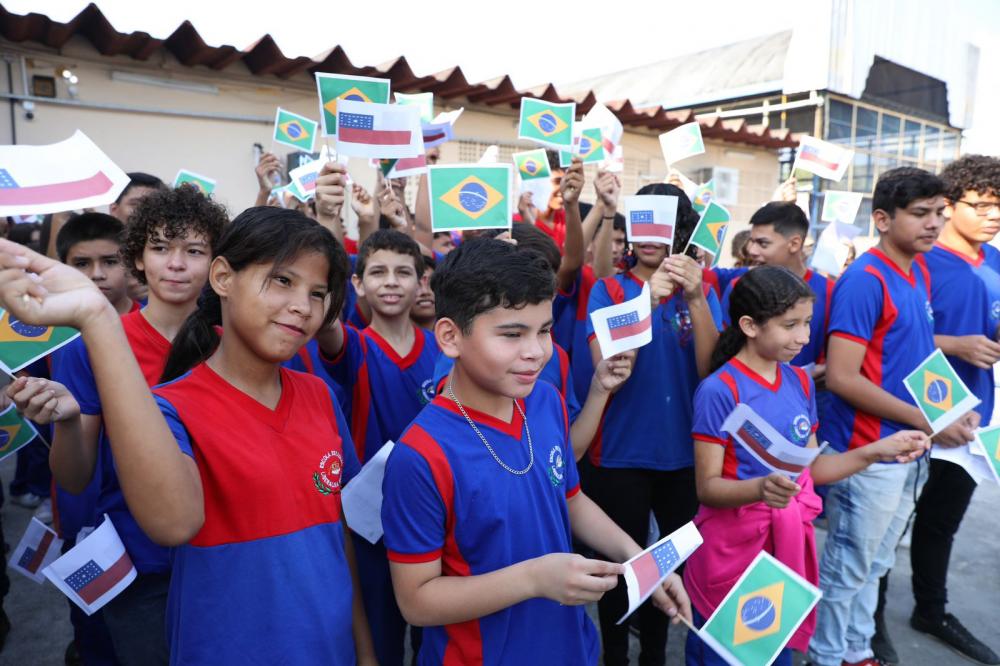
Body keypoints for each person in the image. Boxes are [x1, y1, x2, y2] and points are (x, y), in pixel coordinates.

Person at [0, 208, 376, 665]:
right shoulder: (171, 408)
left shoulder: (319, 395)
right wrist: (97, 318)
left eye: (318, 293)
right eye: (282, 280)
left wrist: (364, 650)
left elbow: (339, 539)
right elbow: (173, 522)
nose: (302, 305)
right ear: (223, 277)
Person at [381, 237, 690, 665]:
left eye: (544, 331)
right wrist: (532, 579)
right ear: (450, 336)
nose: (535, 352)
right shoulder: (420, 455)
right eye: (511, 334)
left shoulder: (544, 401)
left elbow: (571, 499)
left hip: (569, 644)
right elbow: (417, 600)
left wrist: (642, 560)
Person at [14, 186, 226, 665]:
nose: (175, 264)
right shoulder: (90, 345)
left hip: (224, 555)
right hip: (139, 564)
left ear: (218, 265)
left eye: (193, 251)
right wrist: (67, 424)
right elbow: (73, 477)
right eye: (160, 248)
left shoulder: (234, 345)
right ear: (137, 259)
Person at [683, 266, 928, 665]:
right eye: (790, 325)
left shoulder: (799, 382)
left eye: (808, 323)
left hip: (785, 551)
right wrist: (759, 489)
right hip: (731, 553)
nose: (804, 337)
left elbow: (810, 472)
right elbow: (707, 487)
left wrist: (875, 451)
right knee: (727, 656)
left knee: (774, 655)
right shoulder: (719, 390)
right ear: (749, 325)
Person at [808, 168, 979, 666]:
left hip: (906, 450)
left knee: (875, 563)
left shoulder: (917, 271)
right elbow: (842, 377)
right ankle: (825, 656)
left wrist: (952, 413)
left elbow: (917, 358)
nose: (933, 224)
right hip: (867, 455)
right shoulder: (865, 279)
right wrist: (929, 421)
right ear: (882, 219)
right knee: (847, 568)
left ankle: (857, 650)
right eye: (920, 214)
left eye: (939, 214)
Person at [584, 182, 721, 665]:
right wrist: (648, 301)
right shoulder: (609, 290)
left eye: (661, 220)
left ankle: (656, 656)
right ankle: (616, 655)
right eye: (641, 217)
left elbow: (711, 373)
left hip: (684, 456)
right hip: (618, 454)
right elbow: (609, 369)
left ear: (681, 231)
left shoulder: (703, 292)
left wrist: (698, 300)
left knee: (670, 568)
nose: (648, 233)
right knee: (621, 569)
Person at [887, 155, 1000, 665]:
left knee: (941, 523)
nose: (993, 215)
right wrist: (955, 344)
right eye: (981, 205)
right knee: (887, 524)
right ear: (948, 207)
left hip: (974, 415)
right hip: (915, 411)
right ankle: (866, 621)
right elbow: (890, 333)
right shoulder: (920, 260)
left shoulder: (994, 262)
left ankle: (931, 610)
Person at [316, 228, 439, 666]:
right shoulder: (354, 343)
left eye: (403, 272)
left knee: (436, 634)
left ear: (422, 282)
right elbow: (327, 325)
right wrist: (329, 222)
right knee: (381, 637)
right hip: (370, 524)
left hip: (432, 516)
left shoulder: (442, 351)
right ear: (356, 284)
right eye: (377, 272)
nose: (390, 281)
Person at [722, 202, 833, 375]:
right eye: (751, 242)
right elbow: (724, 351)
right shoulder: (739, 286)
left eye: (763, 244)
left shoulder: (830, 291)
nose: (751, 250)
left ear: (794, 244)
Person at [57, 213, 135, 315]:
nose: (97, 274)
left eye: (110, 262)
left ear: (129, 263)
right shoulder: (47, 327)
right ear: (63, 268)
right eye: (82, 264)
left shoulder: (155, 325)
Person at [109, 172, 167, 303]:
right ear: (114, 209)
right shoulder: (97, 247)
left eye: (153, 205)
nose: (144, 212)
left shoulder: (173, 250)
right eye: (135, 204)